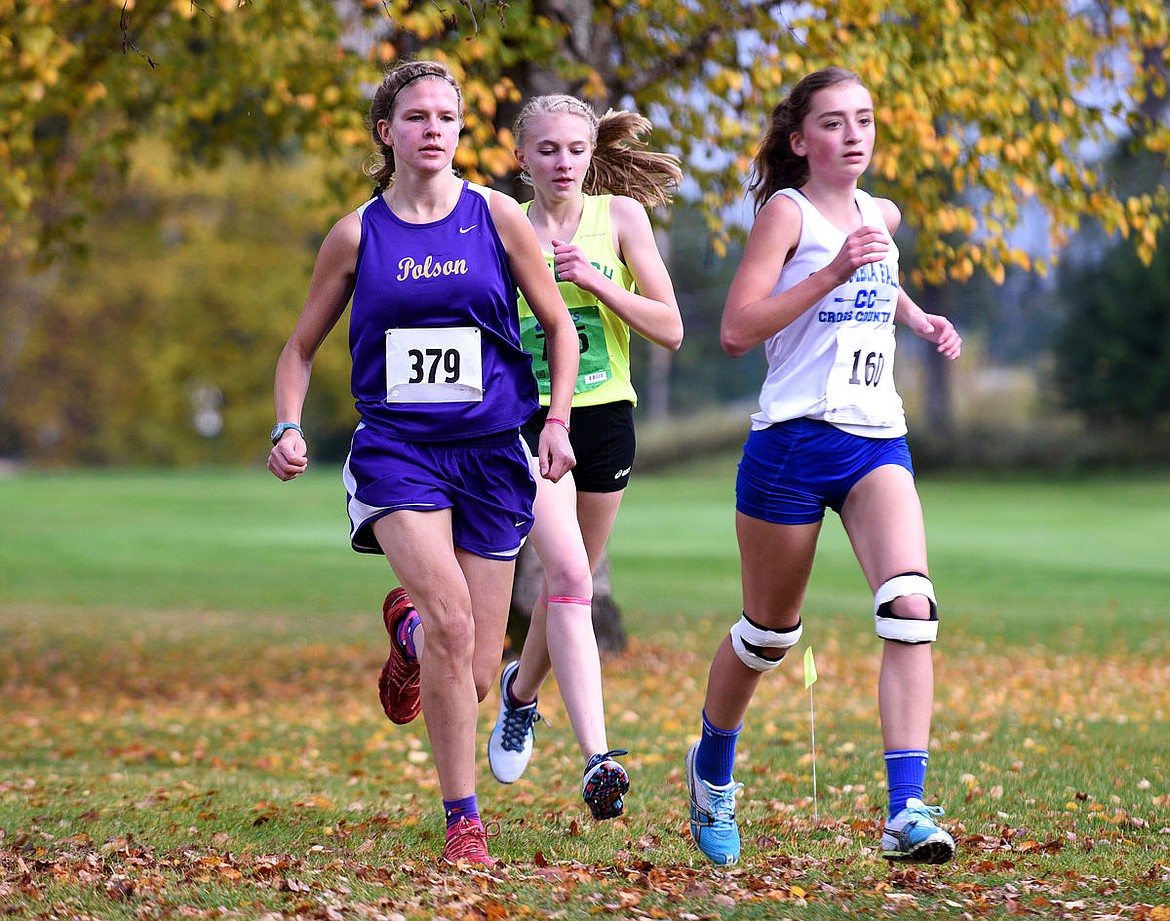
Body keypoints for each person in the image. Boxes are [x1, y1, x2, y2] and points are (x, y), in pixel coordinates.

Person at [267, 59, 580, 868]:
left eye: (447, 115)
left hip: (491, 452)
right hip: (399, 452)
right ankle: (463, 820)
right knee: (453, 620)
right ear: (387, 133)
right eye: (416, 117)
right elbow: (300, 347)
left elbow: (560, 326)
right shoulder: (356, 234)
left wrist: (555, 418)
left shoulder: (499, 217)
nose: (433, 129)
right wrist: (287, 425)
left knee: (473, 669)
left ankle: (405, 632)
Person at [684, 66, 963, 867]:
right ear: (800, 139)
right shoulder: (785, 213)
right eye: (834, 122)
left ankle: (906, 809)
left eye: (865, 120)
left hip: (877, 439)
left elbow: (881, 277)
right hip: (793, 445)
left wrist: (918, 315)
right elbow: (738, 329)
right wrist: (833, 269)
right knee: (770, 636)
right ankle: (712, 766)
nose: (854, 134)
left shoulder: (882, 213)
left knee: (912, 605)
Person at [483, 95, 684, 820]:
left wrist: (595, 280)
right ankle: (598, 756)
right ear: (522, 159)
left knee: (566, 589)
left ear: (591, 151)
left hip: (608, 422)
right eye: (547, 150)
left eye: (575, 148)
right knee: (569, 575)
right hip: (527, 422)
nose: (562, 162)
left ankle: (519, 694)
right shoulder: (501, 226)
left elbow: (671, 328)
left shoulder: (621, 219)